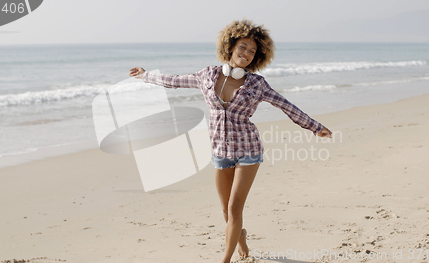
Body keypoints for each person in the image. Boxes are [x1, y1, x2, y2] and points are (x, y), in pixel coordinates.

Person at [129, 19, 332, 263]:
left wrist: (314, 127)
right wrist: (145, 75)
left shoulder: (257, 84)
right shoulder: (207, 75)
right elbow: (175, 81)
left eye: (252, 51)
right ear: (231, 46)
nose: (246, 54)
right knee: (226, 211)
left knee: (235, 208)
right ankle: (241, 237)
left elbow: (285, 105)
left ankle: (225, 259)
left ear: (257, 57)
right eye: (243, 47)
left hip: (249, 151)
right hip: (220, 152)